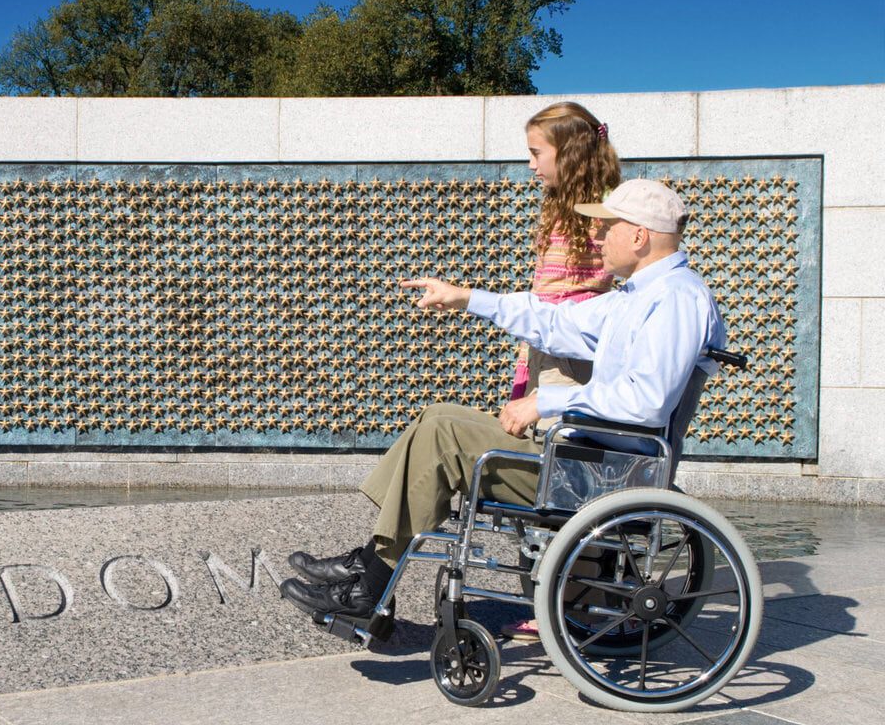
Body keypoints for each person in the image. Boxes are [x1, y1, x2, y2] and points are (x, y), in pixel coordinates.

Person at [280, 179, 725, 623]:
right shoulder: (638, 296)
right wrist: (467, 299)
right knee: (438, 415)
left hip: (603, 473)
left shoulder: (677, 299)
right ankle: (371, 564)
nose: (599, 237)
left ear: (639, 235)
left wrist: (546, 401)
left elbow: (647, 401)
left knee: (443, 436)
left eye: (608, 227)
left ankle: (370, 586)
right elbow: (554, 321)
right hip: (586, 458)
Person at [505, 102, 621, 639]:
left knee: (566, 481)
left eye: (536, 153)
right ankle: (559, 593)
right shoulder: (561, 208)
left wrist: (540, 313)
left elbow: (592, 292)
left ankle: (571, 602)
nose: (530, 165)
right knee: (550, 477)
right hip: (547, 353)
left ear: (568, 152)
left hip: (571, 363)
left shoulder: (599, 216)